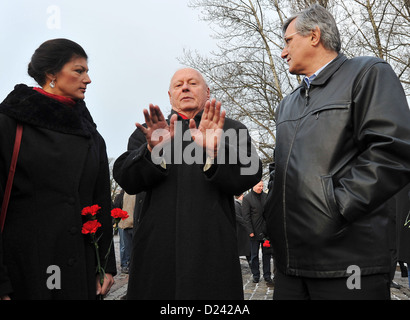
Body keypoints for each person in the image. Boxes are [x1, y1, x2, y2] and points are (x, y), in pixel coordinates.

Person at [264, 4, 410, 300]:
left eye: (288, 41)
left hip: (348, 263)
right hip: (290, 265)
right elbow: (280, 168)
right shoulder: (287, 103)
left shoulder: (368, 73)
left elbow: (391, 152)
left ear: (314, 35)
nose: (283, 52)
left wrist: (336, 208)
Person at [113, 67, 262, 299]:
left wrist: (217, 148)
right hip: (157, 251)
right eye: (178, 85)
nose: (185, 87)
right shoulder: (152, 132)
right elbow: (127, 180)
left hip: (212, 247)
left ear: (207, 91)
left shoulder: (230, 129)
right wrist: (152, 150)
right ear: (170, 96)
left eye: (193, 83)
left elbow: (251, 174)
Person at [0, 39, 116, 300]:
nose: (88, 79)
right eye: (79, 70)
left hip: (81, 272)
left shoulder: (92, 136)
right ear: (51, 73)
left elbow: (100, 204)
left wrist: (105, 267)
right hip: (25, 273)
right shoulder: (11, 123)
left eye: (87, 71)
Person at [242, 181, 273, 285]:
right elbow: (246, 217)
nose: (261, 187)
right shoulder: (247, 198)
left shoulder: (266, 196)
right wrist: (250, 231)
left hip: (266, 233)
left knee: (266, 255)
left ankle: (267, 275)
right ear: (254, 186)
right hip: (254, 233)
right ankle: (256, 275)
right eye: (259, 186)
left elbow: (270, 213)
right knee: (254, 255)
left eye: (262, 186)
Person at [234, 194, 251, 263]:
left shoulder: (238, 204)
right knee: (245, 248)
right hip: (241, 230)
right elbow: (238, 217)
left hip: (242, 230)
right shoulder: (236, 205)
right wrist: (247, 224)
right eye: (243, 196)